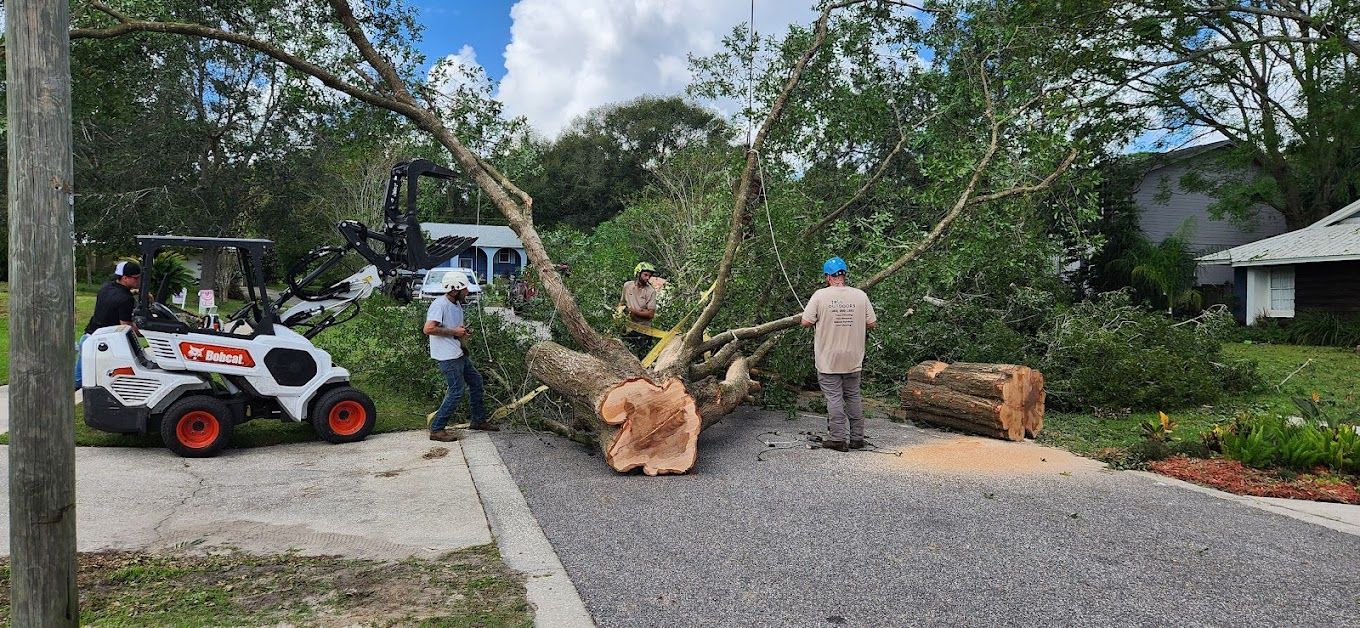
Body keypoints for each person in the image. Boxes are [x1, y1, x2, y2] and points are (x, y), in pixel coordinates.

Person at [800, 256, 877, 452]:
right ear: (844, 274)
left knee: (834, 398)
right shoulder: (860, 295)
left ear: (828, 277)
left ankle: (837, 438)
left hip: (828, 358)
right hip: (853, 356)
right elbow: (872, 323)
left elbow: (805, 322)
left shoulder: (820, 295)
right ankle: (857, 438)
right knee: (853, 396)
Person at [423, 271, 498, 442]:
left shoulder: (456, 305)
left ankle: (478, 421)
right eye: (465, 289)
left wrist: (461, 334)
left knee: (476, 382)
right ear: (455, 289)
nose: (467, 292)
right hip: (447, 357)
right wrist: (454, 332)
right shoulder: (439, 304)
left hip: (458, 353)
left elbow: (452, 330)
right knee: (456, 391)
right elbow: (428, 329)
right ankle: (437, 429)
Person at [75, 261, 141, 389]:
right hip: (100, 346)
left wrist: (135, 292)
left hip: (88, 338)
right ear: (125, 278)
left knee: (78, 379)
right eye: (136, 278)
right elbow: (125, 325)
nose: (138, 280)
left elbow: (118, 295)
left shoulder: (106, 288)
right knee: (84, 381)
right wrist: (143, 332)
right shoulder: (126, 299)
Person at [619, 262, 659, 357]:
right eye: (645, 275)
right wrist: (618, 313)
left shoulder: (650, 291)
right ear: (638, 274)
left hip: (644, 330)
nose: (647, 278)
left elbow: (650, 314)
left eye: (649, 276)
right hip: (628, 328)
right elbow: (622, 303)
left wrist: (634, 312)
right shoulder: (627, 286)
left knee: (642, 358)